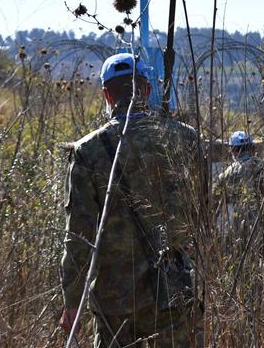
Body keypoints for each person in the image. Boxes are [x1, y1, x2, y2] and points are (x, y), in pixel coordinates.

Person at [59, 53, 202, 347]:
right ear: (146, 90)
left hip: (115, 301)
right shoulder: (185, 139)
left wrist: (72, 301)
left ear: (107, 95)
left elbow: (79, 236)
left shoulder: (88, 151)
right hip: (173, 291)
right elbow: (202, 213)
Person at [212, 131, 264, 244]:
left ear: (233, 150)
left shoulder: (228, 174)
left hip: (239, 232)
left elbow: (213, 198)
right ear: (252, 148)